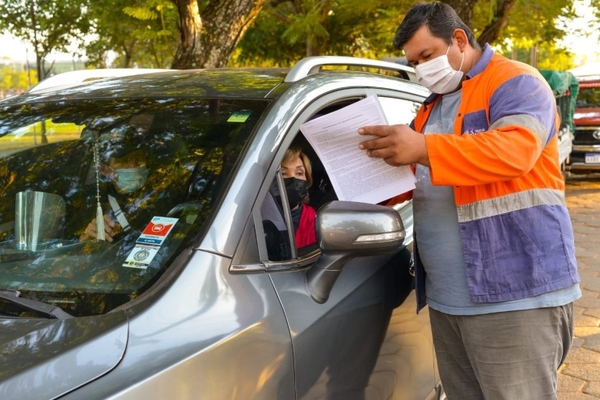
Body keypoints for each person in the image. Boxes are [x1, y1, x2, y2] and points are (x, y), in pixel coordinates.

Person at [357, 2, 580, 399]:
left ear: (459, 39)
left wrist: (423, 147)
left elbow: (515, 151)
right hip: (448, 300)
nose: (422, 68)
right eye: (415, 62)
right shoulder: (432, 106)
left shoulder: (516, 82)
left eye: (427, 55)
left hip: (516, 294)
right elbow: (426, 181)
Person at [79, 144, 149, 242]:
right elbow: (82, 248)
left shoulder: (163, 189)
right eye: (123, 161)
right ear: (103, 169)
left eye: (138, 158)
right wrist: (88, 238)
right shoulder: (96, 206)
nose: (133, 166)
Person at [280, 146, 317, 248]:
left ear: (307, 181)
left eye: (299, 173)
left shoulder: (314, 221)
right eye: (283, 173)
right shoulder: (251, 218)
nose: (293, 178)